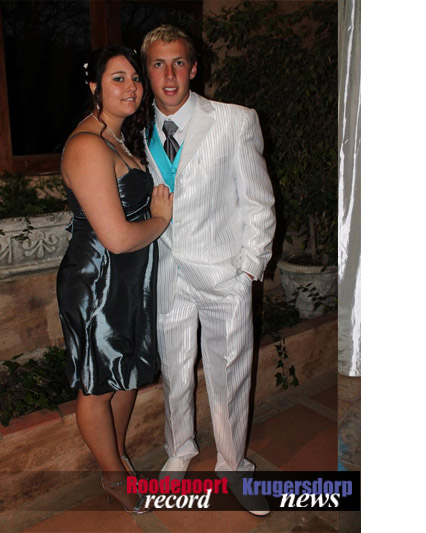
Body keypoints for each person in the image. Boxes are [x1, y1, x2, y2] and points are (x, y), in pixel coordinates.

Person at [140, 25, 276, 516]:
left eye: (178, 62)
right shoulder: (134, 130)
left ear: (194, 68)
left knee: (229, 375)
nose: (169, 75)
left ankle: (233, 465)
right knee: (174, 369)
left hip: (223, 275)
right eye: (158, 64)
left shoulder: (234, 121)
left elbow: (259, 202)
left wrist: (248, 271)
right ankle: (179, 448)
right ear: (146, 72)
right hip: (167, 273)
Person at [56, 46, 173, 515]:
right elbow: (119, 237)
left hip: (126, 280)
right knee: (97, 384)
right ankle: (113, 476)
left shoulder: (119, 138)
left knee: (125, 376)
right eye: (118, 78)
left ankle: (117, 457)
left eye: (135, 79)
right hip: (97, 281)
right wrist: (161, 221)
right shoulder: (88, 145)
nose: (132, 87)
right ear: (94, 86)